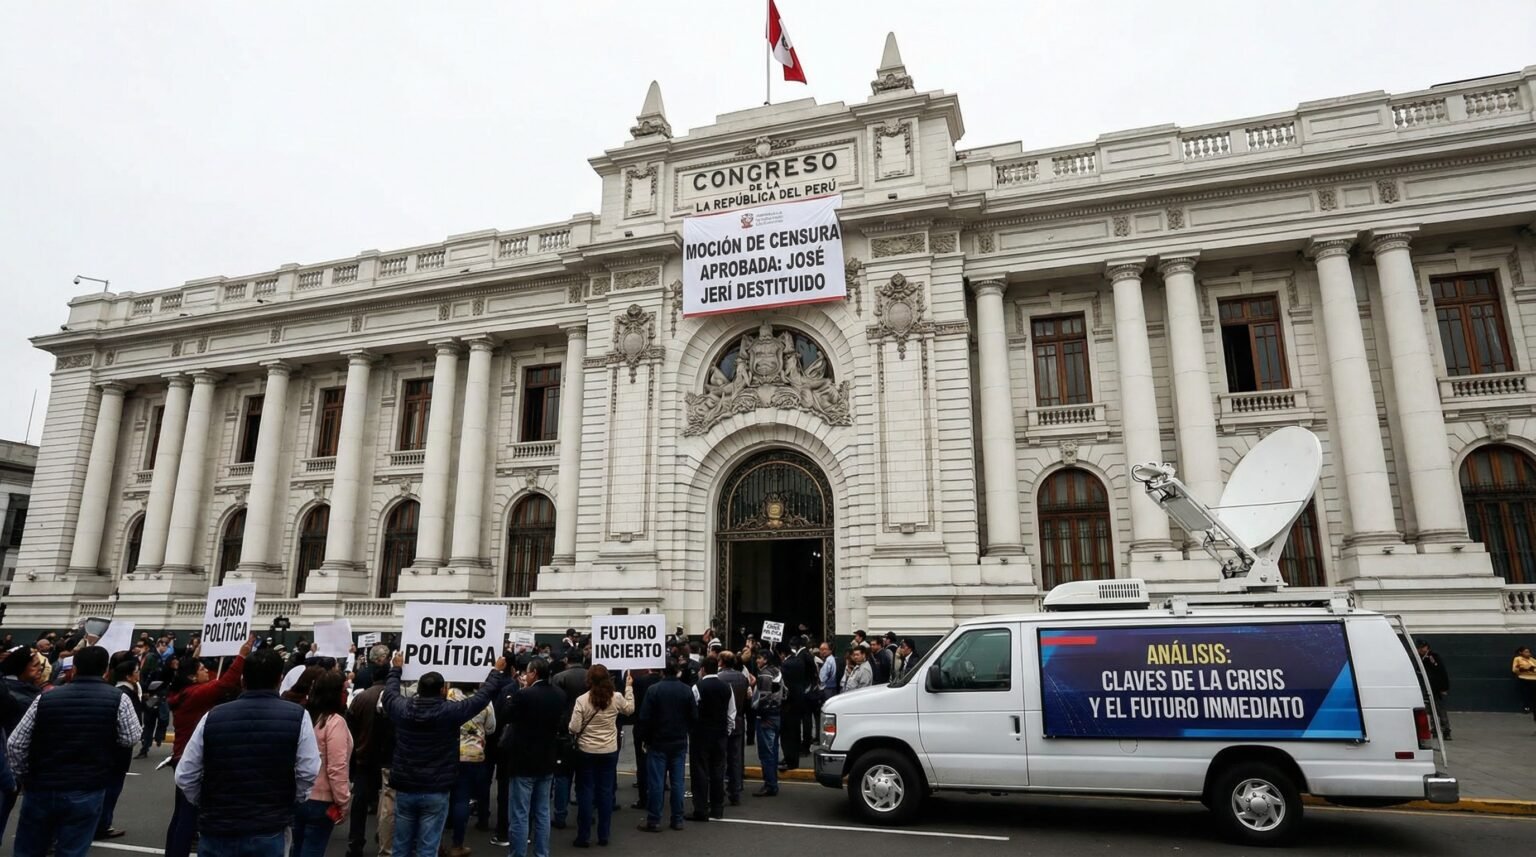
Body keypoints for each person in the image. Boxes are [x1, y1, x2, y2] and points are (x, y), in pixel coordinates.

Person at [175, 647, 318, 857]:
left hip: (218, 826)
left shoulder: (212, 716)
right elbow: (308, 772)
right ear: (279, 680)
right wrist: (288, 801)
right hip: (267, 828)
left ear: (243, 680)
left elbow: (186, 775)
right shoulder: (299, 716)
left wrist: (206, 803)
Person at [5, 646, 142, 857]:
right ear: (105, 671)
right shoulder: (118, 699)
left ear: (75, 669)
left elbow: (16, 743)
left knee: (29, 849)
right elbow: (130, 738)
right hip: (87, 786)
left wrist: (24, 775)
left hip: (42, 785)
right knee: (72, 850)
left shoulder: (46, 697)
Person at [382, 652, 508, 857]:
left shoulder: (402, 709)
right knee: (428, 847)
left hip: (406, 786)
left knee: (401, 845)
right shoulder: (450, 712)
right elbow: (480, 699)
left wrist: (396, 670)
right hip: (435, 788)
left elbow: (389, 694)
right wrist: (495, 672)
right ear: (443, 690)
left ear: (419, 689)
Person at [164, 635, 252, 857]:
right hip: (192, 758)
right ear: (193, 677)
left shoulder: (181, 693)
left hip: (181, 756)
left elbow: (211, 679)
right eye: (202, 669)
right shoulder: (195, 694)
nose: (207, 672)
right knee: (187, 817)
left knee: (181, 814)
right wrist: (241, 656)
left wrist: (193, 657)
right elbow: (224, 683)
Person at [503, 659, 564, 857]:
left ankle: (518, 853)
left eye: (527, 673)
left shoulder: (524, 695)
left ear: (534, 673)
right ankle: (542, 853)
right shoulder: (559, 695)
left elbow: (506, 715)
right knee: (542, 811)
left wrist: (514, 695)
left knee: (520, 813)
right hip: (547, 758)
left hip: (523, 760)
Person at [569, 664, 634, 847]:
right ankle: (603, 835)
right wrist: (629, 687)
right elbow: (629, 710)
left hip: (586, 750)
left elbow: (574, 727)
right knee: (605, 792)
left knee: (585, 792)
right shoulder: (616, 697)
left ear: (589, 679)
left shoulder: (582, 700)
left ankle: (583, 836)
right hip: (609, 749)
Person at [292, 671, 352, 857]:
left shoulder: (303, 718)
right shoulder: (335, 723)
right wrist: (344, 801)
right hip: (322, 800)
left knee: (296, 848)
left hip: (297, 795)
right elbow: (336, 767)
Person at [347, 644, 396, 857]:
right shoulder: (396, 700)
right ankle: (382, 836)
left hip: (363, 756)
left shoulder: (360, 698)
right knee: (386, 802)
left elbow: (350, 729)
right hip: (388, 758)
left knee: (359, 801)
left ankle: (355, 842)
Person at [635, 659, 695, 832]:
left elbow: (644, 717)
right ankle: (677, 819)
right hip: (678, 740)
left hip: (658, 741)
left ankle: (654, 819)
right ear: (677, 671)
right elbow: (693, 716)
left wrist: (646, 739)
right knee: (677, 782)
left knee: (656, 782)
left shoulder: (653, 690)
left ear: (661, 672)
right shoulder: (686, 690)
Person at [444, 683, 496, 857]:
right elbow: (491, 728)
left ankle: (435, 841)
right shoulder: (484, 700)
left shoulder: (448, 695)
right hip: (473, 753)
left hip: (448, 751)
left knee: (442, 797)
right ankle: (457, 844)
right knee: (462, 799)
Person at [95, 659, 143, 841]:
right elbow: (130, 733)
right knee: (111, 790)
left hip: (109, 751)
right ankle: (103, 825)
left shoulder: (120, 691)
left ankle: (102, 823)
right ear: (129, 675)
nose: (139, 674)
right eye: (137, 671)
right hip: (117, 752)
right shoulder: (123, 695)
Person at [689, 655, 735, 822]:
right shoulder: (726, 687)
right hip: (720, 734)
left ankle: (700, 809)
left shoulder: (697, 687)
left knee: (700, 771)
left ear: (702, 669)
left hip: (701, 734)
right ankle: (717, 808)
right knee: (718, 771)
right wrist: (727, 731)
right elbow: (731, 712)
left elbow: (692, 710)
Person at [549, 656, 588, 830]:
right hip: (587, 730)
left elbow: (555, 703)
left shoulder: (560, 678)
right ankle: (585, 814)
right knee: (585, 778)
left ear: (567, 661)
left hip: (564, 731)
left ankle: (560, 815)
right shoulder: (590, 676)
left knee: (562, 777)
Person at [716, 652, 751, 806]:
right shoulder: (742, 678)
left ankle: (719, 790)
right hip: (738, 720)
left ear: (722, 662)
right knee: (735, 759)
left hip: (722, 721)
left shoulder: (719, 678)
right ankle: (735, 791)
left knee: (720, 758)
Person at [751, 650, 784, 797]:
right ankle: (772, 782)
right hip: (777, 713)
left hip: (766, 717)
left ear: (765, 659)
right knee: (773, 750)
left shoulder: (765, 674)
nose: (757, 660)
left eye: (759, 658)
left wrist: (759, 711)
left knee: (766, 753)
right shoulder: (777, 671)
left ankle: (770, 784)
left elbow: (764, 697)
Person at [777, 641, 810, 771]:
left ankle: (789, 759)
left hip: (788, 704)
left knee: (787, 734)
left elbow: (784, 685)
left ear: (782, 653)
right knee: (796, 732)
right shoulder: (799, 662)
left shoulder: (786, 665)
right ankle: (793, 759)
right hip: (799, 701)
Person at [1417, 641, 1452, 740]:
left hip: (1437, 688)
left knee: (1441, 710)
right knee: (1431, 711)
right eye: (1419, 648)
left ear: (1426, 647)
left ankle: (1446, 731)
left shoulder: (1432, 657)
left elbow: (1441, 672)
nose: (1420, 650)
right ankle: (1434, 730)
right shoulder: (1421, 658)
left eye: (1422, 648)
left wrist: (1444, 688)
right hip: (1428, 688)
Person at [1512, 646, 1536, 723]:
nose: (1528, 653)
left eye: (1529, 652)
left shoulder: (1533, 660)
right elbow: (1515, 669)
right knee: (1526, 694)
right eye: (1526, 652)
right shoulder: (1518, 659)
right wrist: (1527, 669)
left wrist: (1531, 669)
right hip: (1524, 679)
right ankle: (1526, 706)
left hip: (1534, 680)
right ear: (1520, 652)